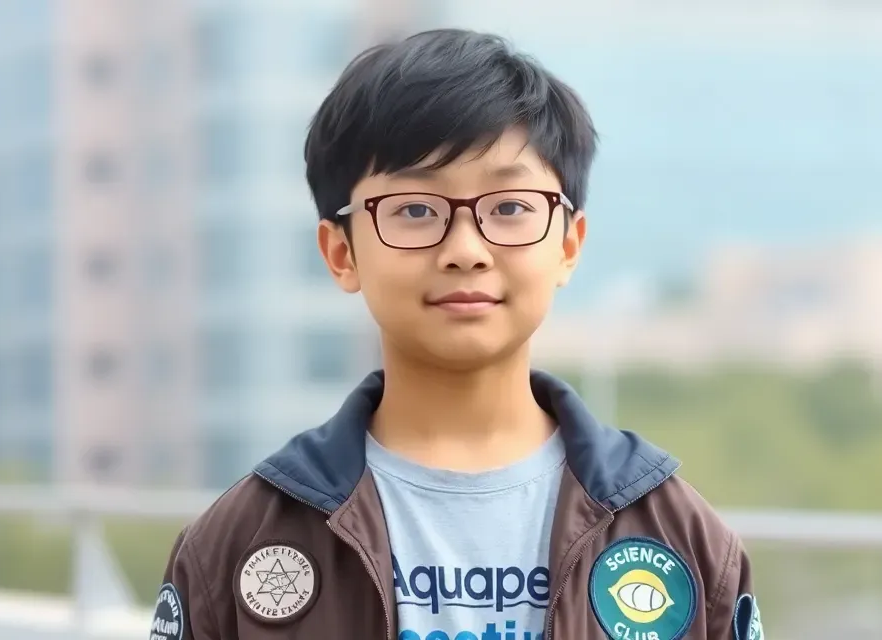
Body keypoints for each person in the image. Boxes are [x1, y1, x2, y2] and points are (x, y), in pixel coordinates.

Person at [149, 28, 762, 640]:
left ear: (569, 245)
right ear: (341, 253)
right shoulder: (238, 545)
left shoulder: (680, 539)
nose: (465, 250)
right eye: (416, 210)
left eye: (510, 207)